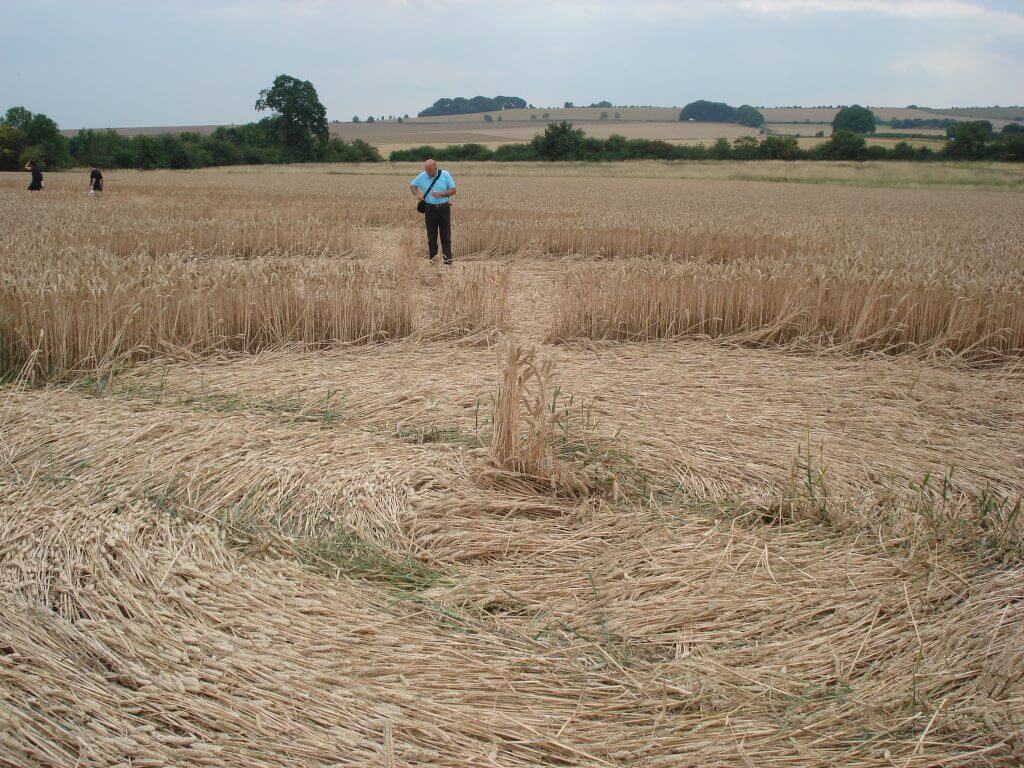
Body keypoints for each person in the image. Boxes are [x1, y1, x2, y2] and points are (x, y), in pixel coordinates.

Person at [409, 159, 456, 265]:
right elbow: (412, 186)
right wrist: (417, 194)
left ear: (435, 167)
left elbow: (453, 190)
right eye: (426, 171)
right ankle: (433, 262)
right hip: (429, 209)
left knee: (446, 237)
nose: (428, 174)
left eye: (430, 171)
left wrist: (442, 194)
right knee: (431, 238)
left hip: (444, 208)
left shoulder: (445, 175)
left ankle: (447, 262)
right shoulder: (422, 175)